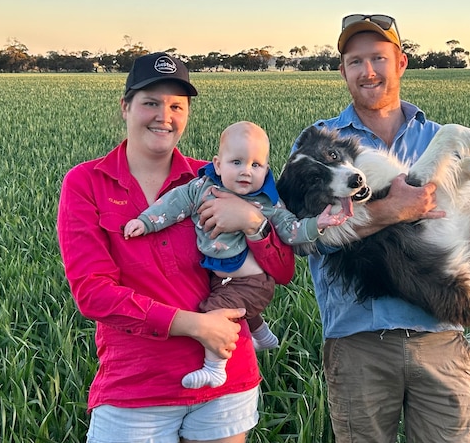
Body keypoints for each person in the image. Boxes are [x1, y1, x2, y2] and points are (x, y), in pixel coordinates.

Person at [293, 14, 470, 443]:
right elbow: (303, 240)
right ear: (342, 69)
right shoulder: (317, 145)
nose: (367, 71)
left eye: (378, 58)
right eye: (355, 60)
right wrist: (391, 212)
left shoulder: (439, 137)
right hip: (358, 341)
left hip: (440, 338)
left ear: (400, 63)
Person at [58, 52, 296, 443]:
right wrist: (195, 325)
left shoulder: (219, 179)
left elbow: (283, 272)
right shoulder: (87, 183)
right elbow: (92, 293)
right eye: (150, 102)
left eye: (175, 105)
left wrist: (252, 222)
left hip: (225, 383)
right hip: (136, 388)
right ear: (125, 107)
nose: (163, 116)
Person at [122, 120, 348, 389]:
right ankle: (262, 334)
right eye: (237, 162)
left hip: (253, 282)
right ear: (218, 164)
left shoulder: (267, 203)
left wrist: (317, 224)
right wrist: (146, 222)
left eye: (256, 165)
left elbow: (291, 230)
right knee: (226, 298)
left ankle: (215, 368)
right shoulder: (201, 188)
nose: (246, 172)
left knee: (215, 310)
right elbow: (173, 205)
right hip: (223, 276)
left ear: (267, 170)